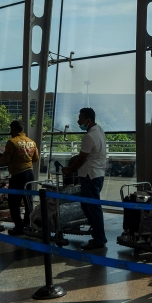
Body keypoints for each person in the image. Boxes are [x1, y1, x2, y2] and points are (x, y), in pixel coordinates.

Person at [61, 107, 107, 251]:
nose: (78, 121)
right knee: (91, 206)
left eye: (80, 118)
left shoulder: (89, 137)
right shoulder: (99, 130)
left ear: (88, 120)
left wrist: (68, 169)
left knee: (91, 207)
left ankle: (99, 238)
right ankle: (98, 235)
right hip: (98, 174)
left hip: (90, 175)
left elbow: (81, 159)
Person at [0, 120, 38, 235]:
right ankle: (27, 224)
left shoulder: (12, 142)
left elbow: (5, 159)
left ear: (14, 129)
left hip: (18, 174)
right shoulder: (32, 142)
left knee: (13, 202)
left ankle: (19, 227)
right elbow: (35, 158)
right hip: (30, 173)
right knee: (28, 200)